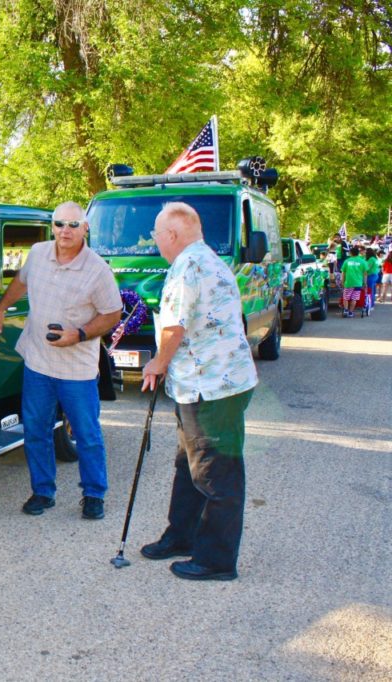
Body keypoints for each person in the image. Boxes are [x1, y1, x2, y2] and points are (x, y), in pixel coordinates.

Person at [139, 202, 258, 581]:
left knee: (215, 473)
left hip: (212, 387)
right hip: (202, 384)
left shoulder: (189, 266)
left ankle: (216, 559)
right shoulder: (205, 258)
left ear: (171, 235)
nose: (154, 240)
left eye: (156, 234)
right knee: (188, 465)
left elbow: (174, 327)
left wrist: (157, 362)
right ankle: (182, 535)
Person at [0, 201, 122, 520]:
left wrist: (77, 334)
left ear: (85, 229)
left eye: (73, 225)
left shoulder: (97, 270)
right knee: (36, 429)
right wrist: (1, 308)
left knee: (87, 434)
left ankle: (93, 494)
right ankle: (43, 492)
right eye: (60, 224)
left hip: (76, 369)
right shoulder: (38, 253)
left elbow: (112, 314)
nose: (66, 231)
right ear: (52, 227)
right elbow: (21, 281)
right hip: (38, 363)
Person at [340, 246, 367, 317]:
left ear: (351, 253)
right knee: (354, 298)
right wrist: (365, 283)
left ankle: (346, 310)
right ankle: (350, 312)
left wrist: (342, 281)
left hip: (348, 283)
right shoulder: (362, 261)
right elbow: (365, 274)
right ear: (358, 253)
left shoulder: (347, 261)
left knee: (346, 297)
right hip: (358, 283)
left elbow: (343, 273)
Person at [364, 248, 380, 315]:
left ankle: (370, 305)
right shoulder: (375, 259)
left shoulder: (371, 259)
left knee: (369, 291)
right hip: (375, 275)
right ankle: (372, 305)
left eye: (366, 252)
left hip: (371, 276)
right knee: (372, 291)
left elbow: (367, 268)